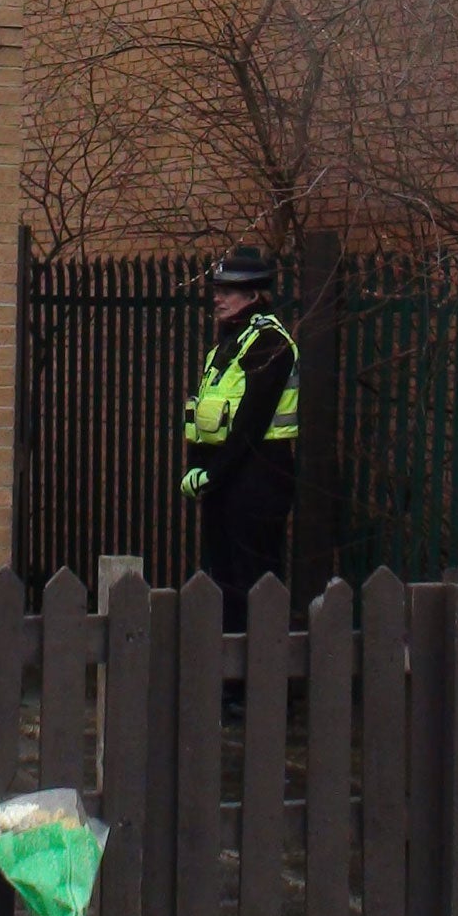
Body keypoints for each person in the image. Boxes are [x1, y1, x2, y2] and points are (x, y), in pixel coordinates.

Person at [180, 247, 299, 631]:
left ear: (253, 296)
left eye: (228, 291)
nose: (218, 297)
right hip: (226, 479)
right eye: (217, 289)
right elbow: (205, 416)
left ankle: (254, 683)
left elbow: (251, 422)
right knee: (223, 581)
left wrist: (213, 475)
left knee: (254, 581)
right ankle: (229, 680)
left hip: (259, 475)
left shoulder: (269, 343)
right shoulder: (224, 350)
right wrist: (197, 469)